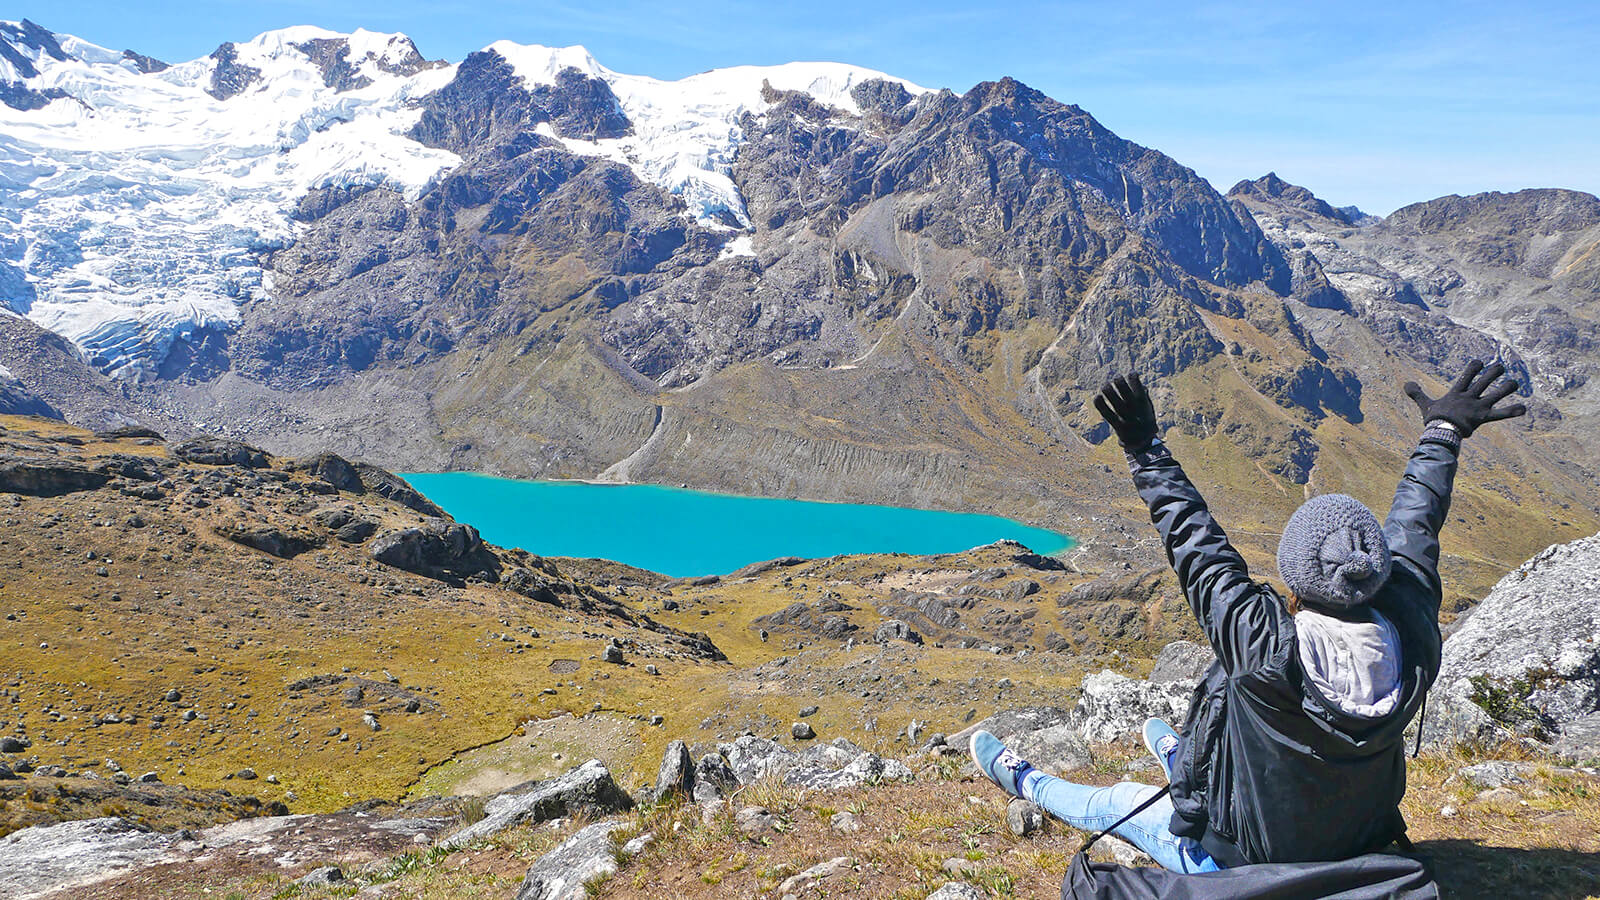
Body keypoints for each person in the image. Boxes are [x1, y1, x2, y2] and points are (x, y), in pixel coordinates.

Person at [970, 360, 1527, 871]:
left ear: (1296, 575)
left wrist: (1144, 447)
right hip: (1358, 842)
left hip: (1242, 858)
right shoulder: (1411, 624)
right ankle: (1182, 755)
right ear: (1376, 568)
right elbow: (1416, 527)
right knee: (1230, 721)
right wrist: (1443, 434)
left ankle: (1026, 781)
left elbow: (1196, 543)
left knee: (1121, 801)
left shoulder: (1265, 643)